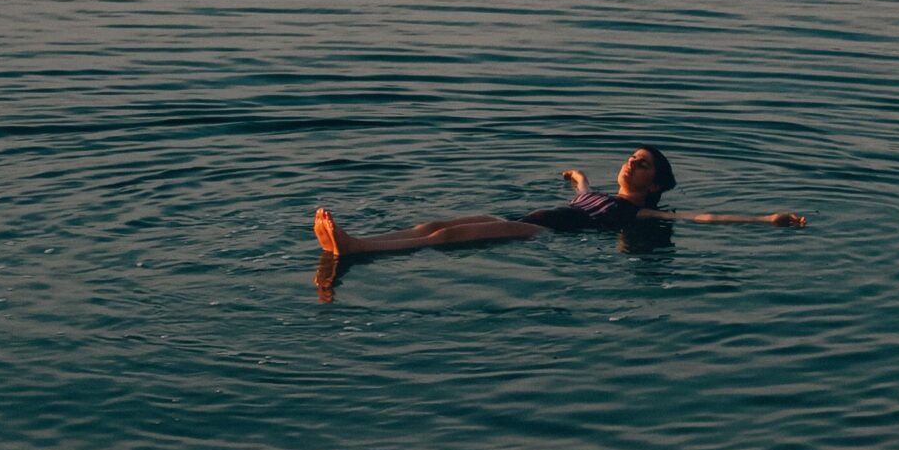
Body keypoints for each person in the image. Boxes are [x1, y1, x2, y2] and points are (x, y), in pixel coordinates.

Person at [312, 146, 805, 275]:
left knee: (447, 240)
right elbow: (585, 188)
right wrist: (576, 178)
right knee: (438, 224)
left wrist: (764, 219)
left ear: (655, 183)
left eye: (642, 163)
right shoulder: (597, 194)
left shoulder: (639, 215)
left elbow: (700, 219)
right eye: (631, 158)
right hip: (531, 220)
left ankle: (356, 248)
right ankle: (357, 241)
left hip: (540, 236)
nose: (631, 163)